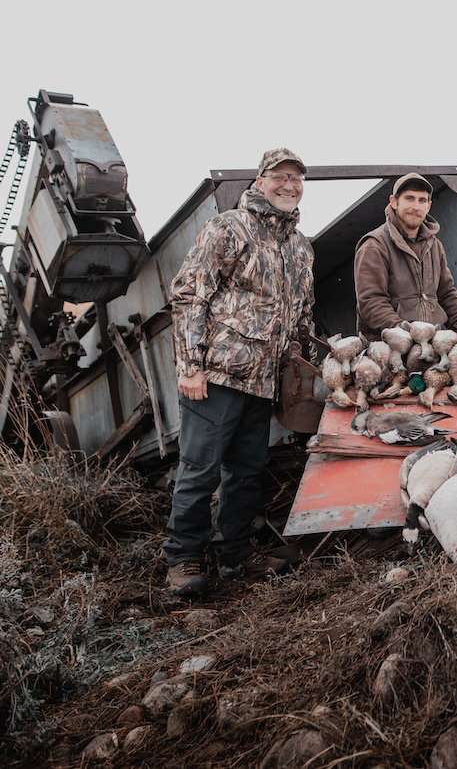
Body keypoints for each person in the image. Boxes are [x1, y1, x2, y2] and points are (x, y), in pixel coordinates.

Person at [164, 148, 315, 597]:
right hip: (217, 376)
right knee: (199, 469)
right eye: (280, 176)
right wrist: (190, 366)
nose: (289, 185)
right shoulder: (227, 228)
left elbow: (302, 316)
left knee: (247, 471)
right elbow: (189, 295)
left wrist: (299, 369)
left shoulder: (300, 247)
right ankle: (183, 556)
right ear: (261, 179)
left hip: (265, 382)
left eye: (296, 178)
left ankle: (235, 552)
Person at [354, 173, 457, 341]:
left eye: (422, 200)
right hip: (388, 346)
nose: (416, 207)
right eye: (409, 198)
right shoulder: (375, 246)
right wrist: (407, 334)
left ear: (429, 206)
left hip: (432, 343)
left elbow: (447, 295)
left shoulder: (435, 246)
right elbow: (371, 302)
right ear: (394, 202)